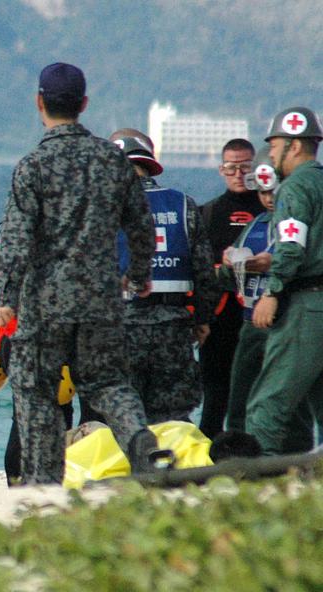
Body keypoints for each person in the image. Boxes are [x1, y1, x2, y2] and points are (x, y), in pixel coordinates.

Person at [0, 63, 162, 485]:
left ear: (39, 103)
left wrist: (5, 296)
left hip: (43, 304)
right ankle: (140, 440)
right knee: (108, 383)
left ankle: (45, 483)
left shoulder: (33, 166)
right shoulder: (113, 161)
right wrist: (138, 275)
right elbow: (143, 227)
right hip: (100, 301)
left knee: (36, 393)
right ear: (84, 104)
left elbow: (15, 239)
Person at [111, 129, 217, 423]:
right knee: (173, 423)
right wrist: (203, 319)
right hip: (174, 330)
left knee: (125, 422)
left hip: (121, 330)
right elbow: (206, 274)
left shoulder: (104, 208)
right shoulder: (183, 205)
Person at [219, 146, 317, 449]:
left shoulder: (298, 210)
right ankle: (240, 456)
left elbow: (296, 254)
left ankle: (283, 464)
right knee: (240, 403)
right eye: (262, 193)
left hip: (287, 319)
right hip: (252, 324)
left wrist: (271, 274)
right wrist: (230, 266)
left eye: (273, 191)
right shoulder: (255, 226)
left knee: (284, 404)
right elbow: (228, 276)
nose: (269, 199)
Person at [245, 107, 323, 455]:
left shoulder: (293, 189)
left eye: (275, 146)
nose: (271, 154)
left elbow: (291, 249)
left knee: (266, 406)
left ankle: (261, 491)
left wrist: (273, 292)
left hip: (306, 306)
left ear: (294, 147)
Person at [197, 138, 264, 439]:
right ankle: (206, 462)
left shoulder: (270, 213)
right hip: (219, 321)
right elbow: (197, 271)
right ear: (221, 170)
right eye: (232, 167)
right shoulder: (208, 214)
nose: (239, 174)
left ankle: (265, 459)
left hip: (261, 318)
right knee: (215, 396)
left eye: (245, 167)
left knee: (260, 395)